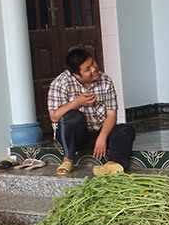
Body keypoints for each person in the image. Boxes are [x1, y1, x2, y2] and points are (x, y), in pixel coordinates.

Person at [46, 48, 136, 177]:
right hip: (73, 137)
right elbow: (54, 117)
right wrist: (77, 103)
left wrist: (102, 137)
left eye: (93, 63)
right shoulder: (61, 83)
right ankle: (68, 159)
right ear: (76, 75)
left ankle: (112, 165)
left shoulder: (105, 81)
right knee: (73, 117)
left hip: (97, 132)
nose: (94, 69)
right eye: (87, 69)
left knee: (126, 130)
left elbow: (111, 115)